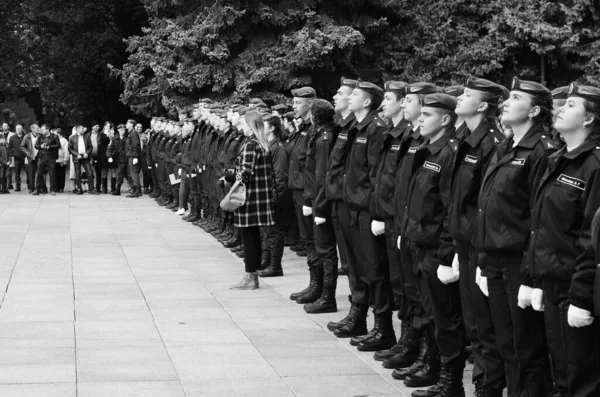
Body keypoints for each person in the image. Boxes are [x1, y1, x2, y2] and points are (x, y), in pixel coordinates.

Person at [475, 77, 556, 397]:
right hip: (494, 259)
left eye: (517, 98)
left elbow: (539, 218)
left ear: (534, 110)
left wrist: (528, 274)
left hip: (517, 262)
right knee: (506, 343)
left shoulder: (541, 151)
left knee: (527, 348)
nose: (506, 102)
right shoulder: (506, 146)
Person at [528, 82, 600, 396]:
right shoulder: (558, 157)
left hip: (575, 285)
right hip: (553, 279)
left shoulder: (594, 165)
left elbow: (592, 238)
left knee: (581, 378)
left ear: (589, 119)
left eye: (571, 105)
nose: (560, 109)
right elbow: (539, 224)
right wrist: (532, 277)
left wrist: (582, 297)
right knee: (562, 372)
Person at [401, 93, 467, 396]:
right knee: (428, 313)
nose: (420, 119)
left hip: (434, 248)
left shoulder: (449, 153)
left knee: (446, 319)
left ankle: (451, 382)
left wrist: (445, 253)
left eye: (427, 115)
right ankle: (434, 366)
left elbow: (448, 208)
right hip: (419, 243)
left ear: (445, 119)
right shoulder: (429, 150)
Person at [448, 76, 507, 397]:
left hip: (480, 245)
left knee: (485, 325)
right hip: (464, 243)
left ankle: (489, 387)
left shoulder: (490, 143)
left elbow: (486, 204)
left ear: (483, 106)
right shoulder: (467, 139)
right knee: (473, 321)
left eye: (468, 94)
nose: (461, 97)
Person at [228, 110, 275, 290]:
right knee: (253, 237)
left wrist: (231, 175)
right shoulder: (261, 144)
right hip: (259, 198)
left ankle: (250, 276)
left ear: (250, 126)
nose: (241, 127)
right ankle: (252, 275)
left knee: (249, 238)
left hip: (249, 199)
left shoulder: (250, 145)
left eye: (243, 123)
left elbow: (245, 173)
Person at [301, 99, 340, 313]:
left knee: (326, 250)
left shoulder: (324, 137)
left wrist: (320, 206)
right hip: (314, 197)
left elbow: (323, 173)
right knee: (317, 246)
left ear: (316, 116)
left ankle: (327, 296)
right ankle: (318, 289)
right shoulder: (319, 134)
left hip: (320, 199)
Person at [257, 113, 290, 278]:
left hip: (272, 198)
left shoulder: (278, 149)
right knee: (266, 231)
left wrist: (274, 200)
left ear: (272, 128)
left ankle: (276, 265)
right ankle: (266, 261)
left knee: (274, 232)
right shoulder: (267, 146)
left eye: (264, 125)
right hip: (265, 196)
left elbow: (280, 177)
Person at [68, 124, 97, 195]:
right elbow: (70, 149)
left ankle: (91, 189)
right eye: (81, 128)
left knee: (90, 173)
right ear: (77, 129)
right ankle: (79, 189)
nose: (83, 129)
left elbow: (90, 147)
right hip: (77, 157)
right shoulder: (72, 138)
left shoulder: (86, 137)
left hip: (85, 156)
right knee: (78, 174)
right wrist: (76, 154)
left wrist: (87, 153)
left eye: (83, 128)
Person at [33, 124, 60, 196]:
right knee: (39, 173)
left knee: (52, 174)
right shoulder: (40, 136)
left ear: (47, 129)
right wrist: (40, 146)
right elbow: (36, 146)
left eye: (43, 129)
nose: (41, 131)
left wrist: (50, 147)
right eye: (41, 129)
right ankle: (37, 190)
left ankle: (52, 190)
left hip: (51, 157)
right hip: (42, 156)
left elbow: (58, 145)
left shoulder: (55, 136)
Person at [106, 124, 128, 195]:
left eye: (124, 130)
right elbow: (109, 149)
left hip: (127, 158)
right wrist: (109, 156)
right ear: (118, 130)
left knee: (121, 174)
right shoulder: (115, 138)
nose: (123, 131)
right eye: (121, 130)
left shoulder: (128, 137)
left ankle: (118, 189)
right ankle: (119, 189)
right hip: (119, 159)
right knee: (123, 174)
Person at [89, 121, 110, 193]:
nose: (97, 128)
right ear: (92, 127)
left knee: (98, 173)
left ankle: (98, 188)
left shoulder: (101, 134)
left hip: (99, 155)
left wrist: (107, 135)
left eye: (98, 126)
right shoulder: (88, 135)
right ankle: (90, 188)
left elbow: (106, 142)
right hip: (90, 155)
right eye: (96, 126)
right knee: (90, 172)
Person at [20, 124, 40, 194]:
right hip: (31, 158)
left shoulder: (40, 136)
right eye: (37, 128)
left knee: (40, 173)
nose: (39, 129)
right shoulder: (27, 136)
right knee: (31, 174)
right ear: (32, 129)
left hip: (39, 157)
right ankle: (31, 188)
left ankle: (40, 188)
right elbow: (22, 146)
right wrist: (28, 153)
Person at [125, 120, 142, 197]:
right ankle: (135, 190)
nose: (126, 125)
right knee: (131, 173)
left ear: (131, 125)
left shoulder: (133, 134)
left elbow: (136, 145)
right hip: (130, 155)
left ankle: (138, 190)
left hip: (132, 156)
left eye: (127, 123)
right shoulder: (131, 133)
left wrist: (135, 156)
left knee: (134, 173)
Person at [8, 124, 26, 192]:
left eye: (20, 128)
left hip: (25, 157)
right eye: (17, 129)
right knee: (17, 173)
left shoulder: (26, 137)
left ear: (22, 129)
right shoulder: (12, 138)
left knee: (28, 172)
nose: (18, 130)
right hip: (16, 157)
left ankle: (30, 185)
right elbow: (9, 148)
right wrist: (12, 154)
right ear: (15, 129)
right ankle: (18, 187)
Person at [54, 128, 69, 193]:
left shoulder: (64, 141)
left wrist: (65, 160)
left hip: (61, 160)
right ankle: (55, 187)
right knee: (54, 174)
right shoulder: (53, 140)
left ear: (59, 134)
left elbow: (66, 151)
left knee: (61, 174)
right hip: (54, 160)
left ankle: (61, 187)